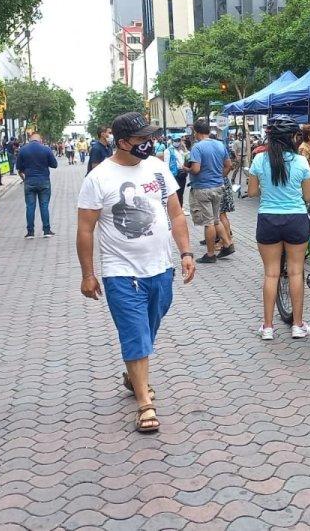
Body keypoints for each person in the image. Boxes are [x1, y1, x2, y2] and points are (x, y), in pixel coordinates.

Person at [77, 112, 195, 433]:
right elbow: (86, 230)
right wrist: (88, 274)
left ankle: (134, 374)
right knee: (135, 332)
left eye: (149, 138)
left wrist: (185, 252)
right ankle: (145, 403)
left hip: (161, 269)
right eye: (142, 139)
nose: (148, 143)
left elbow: (176, 213)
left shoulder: (157, 168)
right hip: (120, 273)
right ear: (123, 141)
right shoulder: (98, 178)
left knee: (147, 328)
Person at [247, 116, 310, 340]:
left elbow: (252, 193)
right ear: (294, 137)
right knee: (296, 271)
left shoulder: (259, 160)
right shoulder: (301, 162)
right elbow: (308, 196)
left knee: (271, 274)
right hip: (296, 219)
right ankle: (297, 325)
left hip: (268, 219)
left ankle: (267, 327)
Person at [187, 118, 235, 263]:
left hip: (203, 188)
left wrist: (186, 169)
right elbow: (229, 165)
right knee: (216, 218)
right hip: (218, 187)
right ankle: (227, 244)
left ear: (196, 132)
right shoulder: (220, 144)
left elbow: (195, 169)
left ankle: (210, 254)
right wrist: (219, 177)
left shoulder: (197, 147)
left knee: (208, 222)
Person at [16, 131, 58, 239]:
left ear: (30, 138)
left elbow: (19, 168)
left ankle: (30, 232)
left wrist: (24, 178)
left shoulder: (23, 150)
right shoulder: (46, 149)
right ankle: (47, 230)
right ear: (40, 139)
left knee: (30, 206)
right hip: (44, 180)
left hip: (29, 180)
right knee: (44, 206)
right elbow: (54, 164)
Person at [172, 137, 189, 203]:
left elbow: (187, 159)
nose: (177, 142)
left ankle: (180, 208)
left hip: (182, 173)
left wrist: (185, 149)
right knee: (176, 193)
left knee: (181, 193)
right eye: (175, 140)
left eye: (178, 141)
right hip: (174, 174)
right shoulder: (169, 151)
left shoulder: (183, 152)